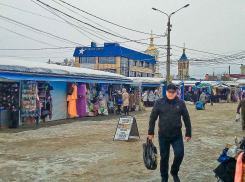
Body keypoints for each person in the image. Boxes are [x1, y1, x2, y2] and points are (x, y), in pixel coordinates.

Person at [148, 84, 192, 182]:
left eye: (173, 92)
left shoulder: (181, 103)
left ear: (176, 92)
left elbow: (186, 118)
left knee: (180, 154)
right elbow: (153, 118)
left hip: (177, 135)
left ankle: (174, 171)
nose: (171, 94)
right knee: (164, 158)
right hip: (163, 135)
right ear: (166, 92)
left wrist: (188, 133)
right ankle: (164, 177)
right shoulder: (159, 103)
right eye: (169, 92)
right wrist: (150, 133)